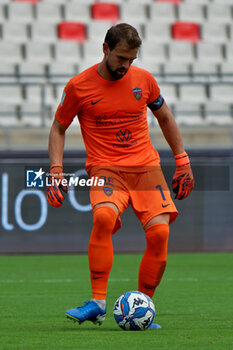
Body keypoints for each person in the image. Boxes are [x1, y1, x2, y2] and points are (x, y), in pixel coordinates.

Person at [46, 23, 194, 329]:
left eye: (131, 59)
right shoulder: (79, 87)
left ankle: (143, 306)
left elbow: (165, 117)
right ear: (105, 49)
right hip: (106, 168)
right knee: (102, 218)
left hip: (146, 168)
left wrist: (182, 160)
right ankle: (97, 304)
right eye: (121, 58)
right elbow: (59, 127)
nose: (126, 65)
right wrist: (56, 170)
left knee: (160, 234)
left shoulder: (144, 81)